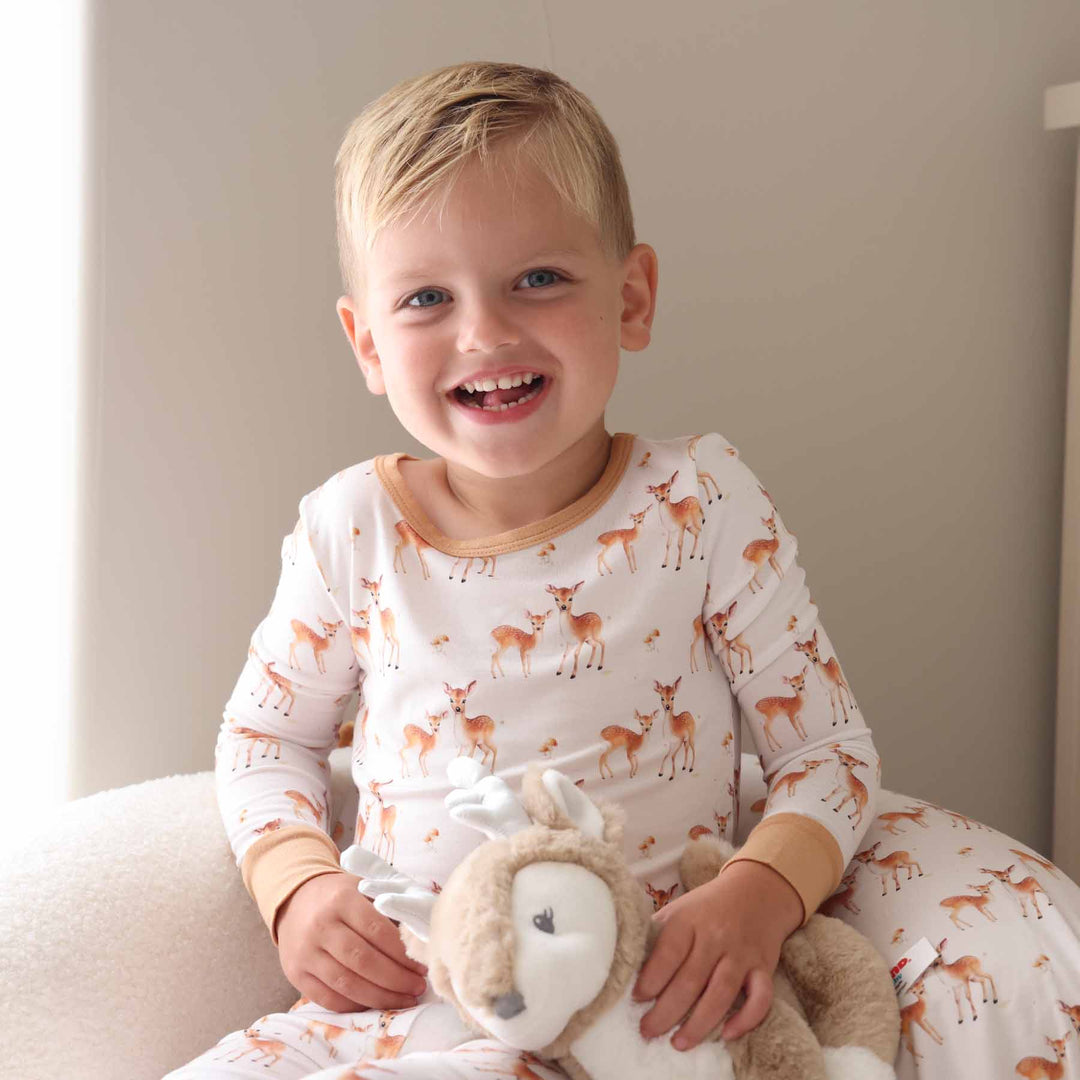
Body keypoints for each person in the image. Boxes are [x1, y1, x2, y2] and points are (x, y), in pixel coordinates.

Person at [166, 59, 884, 1079]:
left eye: (538, 279)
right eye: (425, 298)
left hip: (643, 1013)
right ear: (366, 343)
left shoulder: (703, 506)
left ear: (632, 298)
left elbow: (831, 751)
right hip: (410, 1003)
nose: (487, 332)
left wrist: (759, 896)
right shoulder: (351, 530)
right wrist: (298, 889)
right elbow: (263, 740)